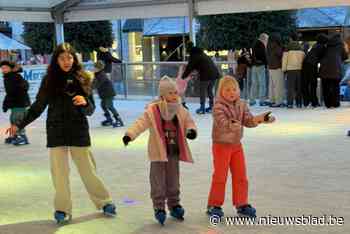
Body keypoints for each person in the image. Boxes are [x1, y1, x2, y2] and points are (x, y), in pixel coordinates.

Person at [6, 43, 116, 224]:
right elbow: (38, 107)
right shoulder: (49, 80)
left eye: (70, 57)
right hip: (56, 131)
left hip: (78, 130)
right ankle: (62, 209)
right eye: (62, 58)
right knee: (59, 174)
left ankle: (104, 201)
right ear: (56, 60)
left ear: (74, 59)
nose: (67, 61)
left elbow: (91, 109)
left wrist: (84, 103)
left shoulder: (83, 78)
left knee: (88, 170)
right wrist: (20, 124)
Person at [122, 76, 197, 225]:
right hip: (158, 152)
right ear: (162, 95)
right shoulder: (153, 110)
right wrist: (130, 135)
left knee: (173, 180)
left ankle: (174, 204)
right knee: (157, 181)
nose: (174, 95)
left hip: (173, 151)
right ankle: (159, 207)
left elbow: (189, 122)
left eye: (176, 92)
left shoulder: (180, 109)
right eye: (170, 93)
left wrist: (191, 131)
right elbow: (140, 123)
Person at [206, 76, 275, 219]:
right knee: (220, 176)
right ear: (221, 91)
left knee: (241, 175)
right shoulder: (218, 106)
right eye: (227, 90)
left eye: (234, 89)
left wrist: (261, 119)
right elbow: (222, 122)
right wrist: (232, 124)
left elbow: (248, 121)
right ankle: (214, 204)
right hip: (221, 145)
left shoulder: (242, 104)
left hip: (236, 146)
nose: (232, 92)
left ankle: (241, 203)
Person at [182, 42, 220, 114]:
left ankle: (202, 108)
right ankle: (211, 107)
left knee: (202, 91)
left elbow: (189, 67)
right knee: (209, 90)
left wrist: (183, 76)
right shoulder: (201, 53)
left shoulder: (194, 55)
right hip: (214, 74)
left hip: (206, 75)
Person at [1, 60, 30, 145]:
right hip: (15, 104)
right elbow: (10, 92)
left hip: (19, 103)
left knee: (17, 119)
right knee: (13, 119)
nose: (3, 69)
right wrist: (7, 103)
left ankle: (22, 137)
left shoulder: (15, 76)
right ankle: (15, 135)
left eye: (5, 68)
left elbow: (21, 88)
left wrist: (6, 102)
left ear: (11, 68)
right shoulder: (8, 77)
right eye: (2, 68)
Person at [319, 33, 348, 108]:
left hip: (324, 68)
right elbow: (345, 56)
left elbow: (321, 55)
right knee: (335, 86)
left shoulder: (327, 44)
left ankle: (328, 104)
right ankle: (335, 103)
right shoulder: (341, 44)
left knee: (326, 86)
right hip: (336, 69)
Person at [92, 60, 124, 127]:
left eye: (95, 68)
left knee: (109, 106)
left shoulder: (101, 75)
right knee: (103, 105)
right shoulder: (97, 74)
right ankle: (109, 119)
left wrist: (90, 88)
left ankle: (119, 120)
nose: (93, 69)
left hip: (108, 94)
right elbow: (94, 83)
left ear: (99, 68)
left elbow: (97, 84)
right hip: (104, 94)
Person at [301, 34, 328, 108]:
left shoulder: (315, 46)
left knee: (305, 83)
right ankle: (314, 102)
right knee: (313, 84)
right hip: (312, 65)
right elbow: (323, 58)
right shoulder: (322, 47)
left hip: (305, 64)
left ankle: (306, 101)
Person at [282, 33, 305, 108]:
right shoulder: (301, 48)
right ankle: (299, 103)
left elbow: (285, 59)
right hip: (299, 70)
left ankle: (290, 103)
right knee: (299, 87)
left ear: (291, 39)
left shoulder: (287, 48)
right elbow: (303, 59)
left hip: (290, 70)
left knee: (290, 87)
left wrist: (284, 69)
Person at [250, 33, 269, 106]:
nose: (266, 41)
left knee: (254, 83)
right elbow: (263, 56)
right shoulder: (261, 45)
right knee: (262, 84)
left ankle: (252, 100)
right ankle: (262, 100)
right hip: (260, 66)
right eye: (266, 39)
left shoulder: (254, 44)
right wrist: (266, 63)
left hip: (254, 66)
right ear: (263, 38)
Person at [266, 33, 285, 107]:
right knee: (278, 85)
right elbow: (280, 54)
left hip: (271, 67)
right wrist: (283, 48)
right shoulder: (276, 46)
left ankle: (272, 100)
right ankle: (278, 101)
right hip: (277, 67)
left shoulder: (268, 45)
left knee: (272, 85)